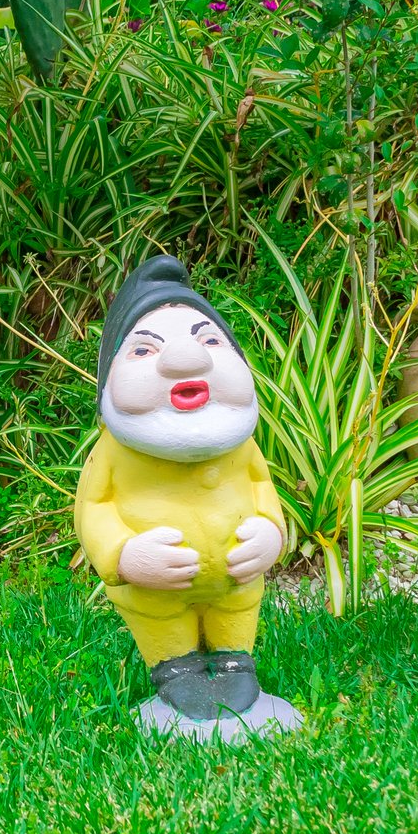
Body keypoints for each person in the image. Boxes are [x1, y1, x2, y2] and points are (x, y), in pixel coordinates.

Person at [74, 256, 289, 721]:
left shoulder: (242, 446)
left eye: (210, 341)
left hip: (235, 584)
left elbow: (261, 485)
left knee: (236, 617)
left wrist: (271, 532)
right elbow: (94, 508)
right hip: (156, 594)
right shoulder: (111, 454)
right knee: (163, 624)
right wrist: (124, 555)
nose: (188, 360)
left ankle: (235, 661)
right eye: (144, 350)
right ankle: (175, 668)